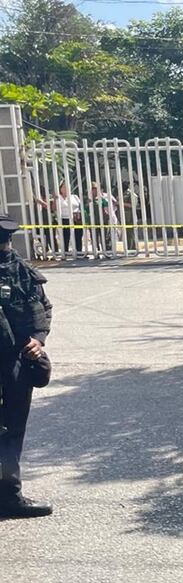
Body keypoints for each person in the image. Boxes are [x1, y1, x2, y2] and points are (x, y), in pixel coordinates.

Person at [0, 215, 54, 519]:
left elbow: (43, 307)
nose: (5, 248)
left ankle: (9, 496)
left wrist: (38, 339)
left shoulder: (20, 269)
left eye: (5, 243)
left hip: (17, 363)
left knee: (12, 431)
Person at [51, 181, 83, 256]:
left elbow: (80, 207)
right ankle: (65, 252)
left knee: (78, 235)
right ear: (60, 189)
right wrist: (55, 199)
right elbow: (53, 208)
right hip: (64, 219)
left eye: (68, 187)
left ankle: (79, 251)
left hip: (76, 218)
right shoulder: (58, 198)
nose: (66, 189)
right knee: (66, 236)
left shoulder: (74, 197)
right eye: (64, 187)